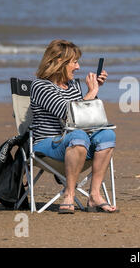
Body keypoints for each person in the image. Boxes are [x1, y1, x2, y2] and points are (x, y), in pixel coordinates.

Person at [30, 39, 118, 214]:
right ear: (58, 62)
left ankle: (94, 195)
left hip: (76, 141)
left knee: (107, 135)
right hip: (47, 145)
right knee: (78, 136)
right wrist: (92, 93)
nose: (78, 67)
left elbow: (84, 119)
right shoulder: (40, 86)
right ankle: (69, 194)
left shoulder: (73, 86)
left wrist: (92, 92)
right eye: (74, 62)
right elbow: (69, 115)